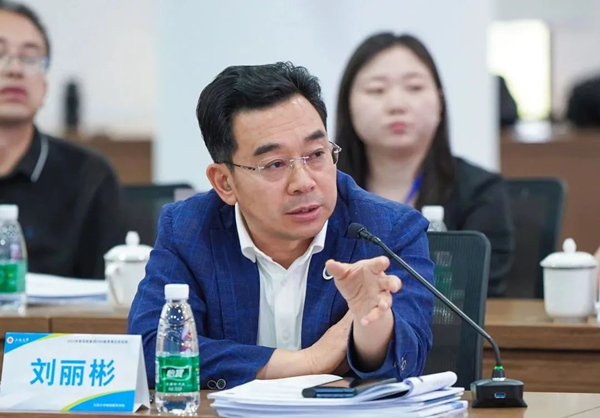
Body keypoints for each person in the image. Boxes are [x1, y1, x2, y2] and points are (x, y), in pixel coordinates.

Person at [128, 62, 434, 389]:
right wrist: (309, 362)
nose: (303, 182)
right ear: (225, 182)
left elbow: (407, 359)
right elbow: (151, 348)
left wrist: (371, 323)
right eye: (274, 164)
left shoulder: (388, 230)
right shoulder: (188, 229)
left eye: (316, 154)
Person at [335, 33, 514, 297]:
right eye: (376, 90)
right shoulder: (324, 191)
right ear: (348, 104)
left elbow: (479, 297)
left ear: (440, 102)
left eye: (415, 87)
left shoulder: (480, 192)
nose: (396, 105)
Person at [0, 1, 124, 278]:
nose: (15, 69)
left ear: (44, 86)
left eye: (30, 58)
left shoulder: (89, 176)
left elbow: (110, 294)